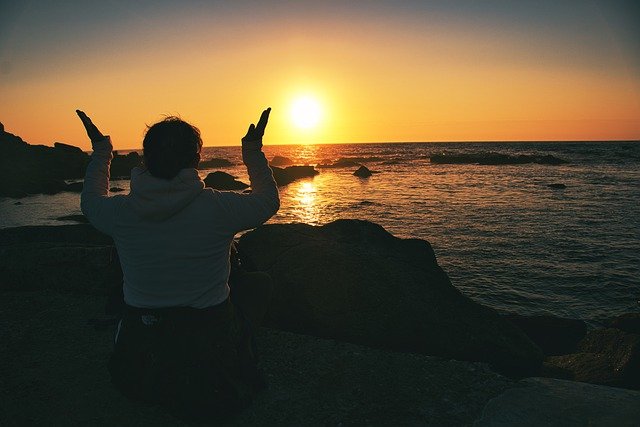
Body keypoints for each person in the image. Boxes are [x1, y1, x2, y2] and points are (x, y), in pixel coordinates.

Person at [76, 108, 279, 420]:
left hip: (143, 341)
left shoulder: (120, 213)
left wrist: (102, 151)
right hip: (210, 337)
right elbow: (268, 200)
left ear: (145, 159)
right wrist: (252, 151)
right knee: (259, 283)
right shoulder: (219, 207)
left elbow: (90, 201)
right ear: (196, 160)